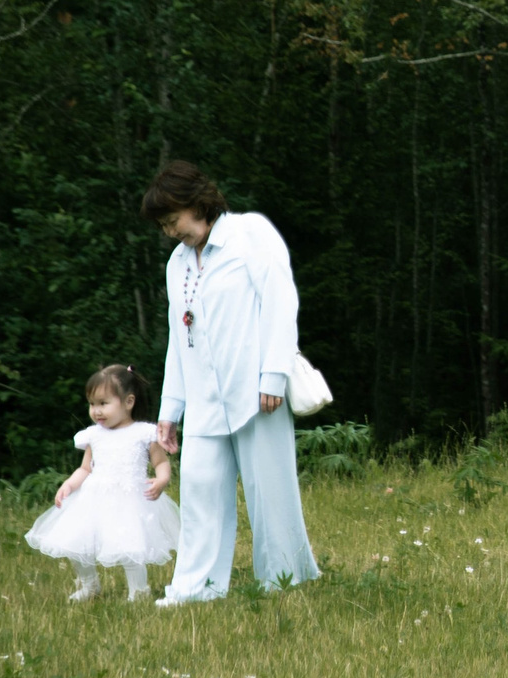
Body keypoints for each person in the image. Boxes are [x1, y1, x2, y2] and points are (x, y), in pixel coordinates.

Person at [142, 160, 320, 604]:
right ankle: (195, 589)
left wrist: (273, 375)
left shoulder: (249, 234)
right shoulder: (177, 263)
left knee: (271, 494)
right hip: (203, 400)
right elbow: (179, 337)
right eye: (163, 225)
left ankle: (285, 580)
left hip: (258, 394)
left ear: (196, 202)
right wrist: (170, 410)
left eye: (172, 220)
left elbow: (280, 303)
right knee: (200, 493)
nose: (170, 231)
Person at [22, 364, 178, 602]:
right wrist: (69, 485)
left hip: (130, 499)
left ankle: (138, 590)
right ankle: (89, 584)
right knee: (76, 541)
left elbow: (161, 462)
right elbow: (86, 468)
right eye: (92, 404)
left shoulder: (144, 433)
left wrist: (162, 479)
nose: (96, 411)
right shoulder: (94, 435)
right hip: (94, 498)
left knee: (130, 545)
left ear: (128, 402)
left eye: (103, 403)